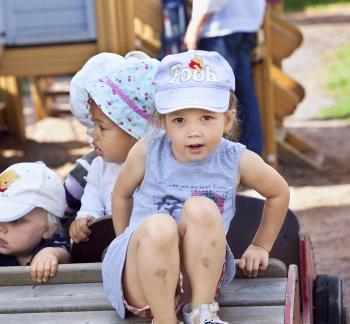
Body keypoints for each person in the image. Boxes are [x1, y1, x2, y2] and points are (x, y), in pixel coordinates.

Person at [102, 50, 290, 324]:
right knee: (159, 226)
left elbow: (279, 192)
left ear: (227, 120)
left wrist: (261, 245)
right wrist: (125, 242)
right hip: (143, 281)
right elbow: (121, 194)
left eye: (206, 118)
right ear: (164, 121)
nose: (194, 131)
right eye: (179, 120)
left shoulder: (235, 159)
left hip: (199, 281)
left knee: (202, 208)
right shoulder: (148, 151)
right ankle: (164, 320)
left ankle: (202, 313)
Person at [68, 51, 160, 245]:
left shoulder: (161, 166)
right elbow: (91, 204)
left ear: (136, 133)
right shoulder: (100, 168)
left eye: (102, 127)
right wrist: (83, 220)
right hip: (115, 252)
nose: (93, 134)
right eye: (93, 125)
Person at [184, 0, 266, 156]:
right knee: (244, 94)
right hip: (248, 20)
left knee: (215, 96)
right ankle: (252, 155)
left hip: (220, 25)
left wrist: (194, 25)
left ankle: (215, 156)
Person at [0, 162, 70, 283]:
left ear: (48, 229)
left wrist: (51, 254)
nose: (1, 227)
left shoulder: (52, 245)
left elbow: (66, 254)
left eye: (15, 220)